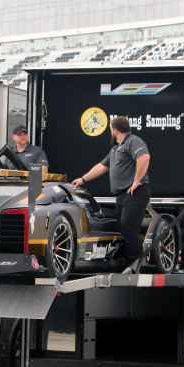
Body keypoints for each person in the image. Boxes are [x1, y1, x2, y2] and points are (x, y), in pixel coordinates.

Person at [71, 115, 150, 272]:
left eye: (110, 131)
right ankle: (128, 261)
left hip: (135, 192)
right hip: (122, 194)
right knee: (122, 226)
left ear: (115, 130)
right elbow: (101, 166)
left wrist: (136, 180)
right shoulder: (115, 148)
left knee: (128, 225)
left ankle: (135, 263)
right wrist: (82, 179)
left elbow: (144, 157)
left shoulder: (133, 141)